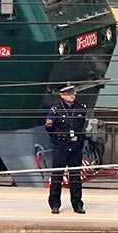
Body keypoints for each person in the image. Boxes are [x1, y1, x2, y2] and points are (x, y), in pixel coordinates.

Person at [45, 83, 87, 214]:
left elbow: (82, 127)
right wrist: (57, 139)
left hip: (75, 147)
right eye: (69, 93)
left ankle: (77, 204)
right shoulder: (56, 110)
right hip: (61, 147)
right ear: (62, 95)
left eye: (73, 93)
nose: (72, 95)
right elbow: (49, 128)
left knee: (75, 177)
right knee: (57, 176)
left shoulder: (81, 109)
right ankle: (55, 204)